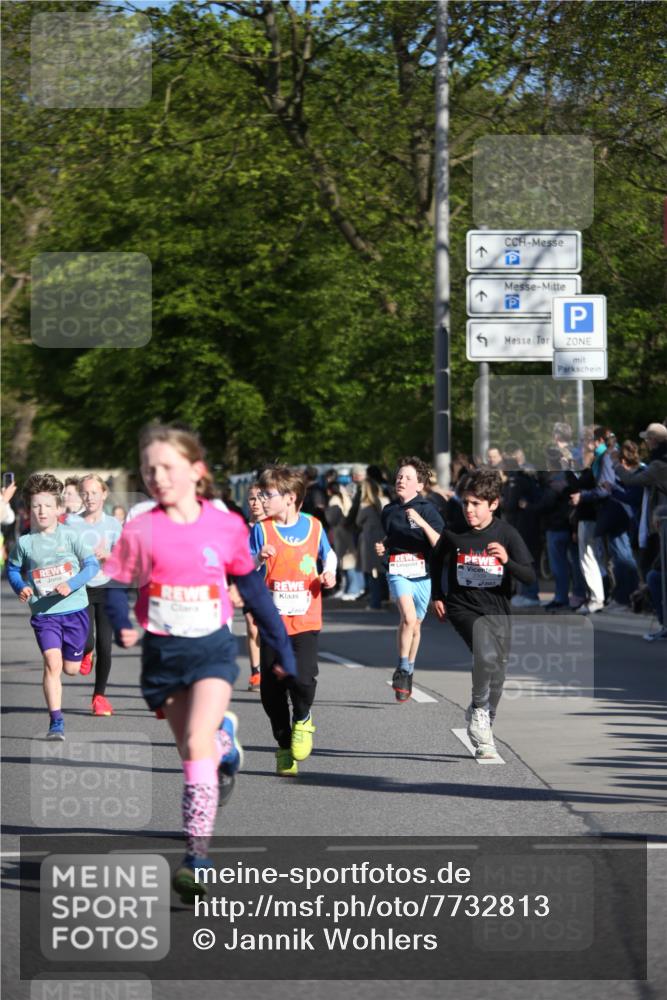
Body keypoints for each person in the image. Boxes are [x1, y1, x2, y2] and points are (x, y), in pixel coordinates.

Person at [103, 423, 296, 903]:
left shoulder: (226, 525)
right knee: (194, 749)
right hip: (164, 655)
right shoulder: (142, 527)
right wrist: (122, 619)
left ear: (197, 470)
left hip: (211, 648)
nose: (157, 476)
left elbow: (254, 594)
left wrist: (283, 650)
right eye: (149, 468)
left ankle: (197, 856)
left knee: (194, 743)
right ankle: (225, 744)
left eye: (167, 466)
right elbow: (111, 583)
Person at [429, 468, 536, 759]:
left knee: (498, 671)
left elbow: (529, 576)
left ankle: (486, 717)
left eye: (476, 503)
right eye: (466, 502)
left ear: (493, 504)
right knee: (485, 653)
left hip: (497, 610)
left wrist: (506, 560)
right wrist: (437, 595)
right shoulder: (453, 531)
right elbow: (436, 561)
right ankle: (478, 709)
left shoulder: (506, 533)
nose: (469, 509)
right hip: (462, 606)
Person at [251, 465, 337, 776]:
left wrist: (330, 572)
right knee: (271, 692)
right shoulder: (261, 529)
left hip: (306, 618)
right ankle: (283, 743)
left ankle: (303, 719)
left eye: (267, 494)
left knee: (303, 678)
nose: (262, 498)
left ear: (289, 498)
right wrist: (258, 558)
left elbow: (329, 554)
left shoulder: (313, 527)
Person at [7, 473, 99, 740]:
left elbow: (92, 565)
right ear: (28, 509)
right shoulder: (25, 543)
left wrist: (71, 584)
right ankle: (56, 721)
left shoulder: (71, 536)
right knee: (51, 663)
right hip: (44, 614)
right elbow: (13, 569)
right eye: (36, 505)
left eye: (47, 505)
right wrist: (20, 586)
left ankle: (85, 652)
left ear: (59, 508)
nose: (42, 511)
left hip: (74, 610)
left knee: (71, 669)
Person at [375, 457, 444, 702]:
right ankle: (402, 667)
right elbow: (391, 538)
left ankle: (409, 670)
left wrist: (421, 521)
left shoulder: (428, 509)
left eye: (407, 478)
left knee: (415, 625)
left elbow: (439, 543)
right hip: (398, 569)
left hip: (423, 572)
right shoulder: (389, 510)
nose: (401, 481)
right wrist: (384, 547)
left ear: (420, 484)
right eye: (399, 477)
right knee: (408, 617)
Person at [66, 474, 122, 712]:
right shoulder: (71, 523)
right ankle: (85, 652)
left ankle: (99, 696)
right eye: (85, 493)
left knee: (105, 646)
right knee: (86, 640)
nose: (89, 498)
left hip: (107, 588)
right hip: (82, 589)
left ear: (104, 494)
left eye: (94, 493)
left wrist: (110, 556)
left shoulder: (114, 525)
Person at [614, 423, 667, 578]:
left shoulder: (659, 464)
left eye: (648, 440)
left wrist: (617, 466)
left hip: (660, 524)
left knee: (651, 571)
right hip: (659, 523)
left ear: (654, 440)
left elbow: (632, 480)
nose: (646, 444)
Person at [325, 481, 363, 600]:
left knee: (347, 561)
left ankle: (354, 589)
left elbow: (332, 518)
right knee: (350, 559)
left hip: (340, 531)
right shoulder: (345, 496)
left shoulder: (334, 500)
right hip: (348, 530)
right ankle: (350, 588)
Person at [244, 482, 264, 690]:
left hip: (273, 584)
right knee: (252, 627)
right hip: (250, 582)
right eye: (252, 498)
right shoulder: (243, 527)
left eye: (259, 497)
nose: (255, 502)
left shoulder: (275, 525)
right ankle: (256, 672)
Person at [356, 477, 388, 609]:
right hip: (383, 539)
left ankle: (375, 602)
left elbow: (358, 521)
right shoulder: (385, 501)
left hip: (369, 541)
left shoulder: (365, 506)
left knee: (372, 573)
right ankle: (384, 597)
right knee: (381, 571)